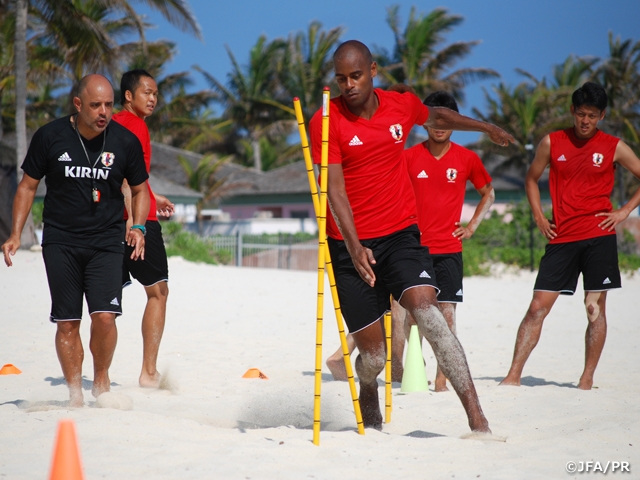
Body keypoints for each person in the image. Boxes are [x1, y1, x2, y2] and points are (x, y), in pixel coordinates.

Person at [309, 40, 514, 431]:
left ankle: (477, 419)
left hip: (401, 235)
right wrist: (353, 247)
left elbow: (436, 114)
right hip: (348, 245)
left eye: (355, 75)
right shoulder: (326, 120)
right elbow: (334, 190)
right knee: (373, 358)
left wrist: (485, 127)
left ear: (373, 70)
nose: (348, 85)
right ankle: (368, 392)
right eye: (340, 79)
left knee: (430, 315)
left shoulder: (400, 105)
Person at [1, 74, 150, 407]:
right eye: (96, 105)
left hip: (107, 240)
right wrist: (14, 234)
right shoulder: (50, 137)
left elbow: (140, 190)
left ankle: (101, 383)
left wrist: (138, 227)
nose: (104, 112)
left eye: (109, 105)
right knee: (68, 322)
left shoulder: (124, 141)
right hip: (61, 240)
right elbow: (27, 186)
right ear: (78, 104)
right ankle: (73, 391)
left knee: (105, 317)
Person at [500, 82, 640, 390]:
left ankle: (587, 379)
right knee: (537, 307)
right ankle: (513, 375)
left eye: (592, 115)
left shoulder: (614, 146)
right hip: (561, 237)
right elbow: (532, 179)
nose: (585, 121)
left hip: (598, 236)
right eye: (580, 114)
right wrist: (538, 216)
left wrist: (624, 211)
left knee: (594, 310)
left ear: (602, 115)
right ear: (572, 112)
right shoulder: (552, 142)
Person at [400, 90, 495, 392]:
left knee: (448, 317)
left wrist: (471, 227)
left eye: (446, 120)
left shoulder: (467, 158)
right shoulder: (408, 157)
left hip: (450, 249)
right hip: (416, 250)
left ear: (456, 124)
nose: (439, 126)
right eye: (433, 119)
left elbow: (489, 194)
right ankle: (413, 370)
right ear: (423, 123)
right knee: (416, 316)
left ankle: (442, 379)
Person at [113, 69, 174, 388]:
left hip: (109, 221)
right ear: (128, 95)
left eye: (155, 94)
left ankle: (100, 377)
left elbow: (130, 175)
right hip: (138, 222)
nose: (153, 98)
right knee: (158, 292)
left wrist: (154, 195)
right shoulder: (136, 126)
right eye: (147, 92)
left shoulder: (109, 123)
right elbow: (126, 180)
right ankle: (148, 373)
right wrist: (133, 222)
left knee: (105, 302)